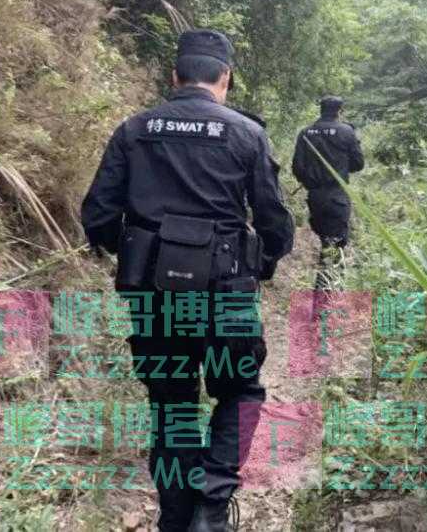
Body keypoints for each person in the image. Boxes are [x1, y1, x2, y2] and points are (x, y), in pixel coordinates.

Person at [81, 29, 295, 532]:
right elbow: (274, 222)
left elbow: (98, 214)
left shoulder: (134, 130)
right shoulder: (246, 133)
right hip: (227, 291)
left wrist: (138, 253)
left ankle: (175, 517)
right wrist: (261, 263)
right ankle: (212, 503)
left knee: (171, 400)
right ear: (225, 78)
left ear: (174, 76)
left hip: (155, 295)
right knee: (240, 390)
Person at [291, 96, 364, 296]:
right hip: (337, 197)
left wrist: (312, 181)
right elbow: (358, 164)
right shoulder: (346, 132)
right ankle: (327, 298)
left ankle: (326, 295)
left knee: (327, 243)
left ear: (321, 110)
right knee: (334, 248)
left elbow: (297, 167)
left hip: (315, 198)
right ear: (340, 110)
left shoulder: (305, 133)